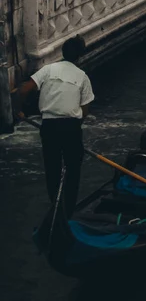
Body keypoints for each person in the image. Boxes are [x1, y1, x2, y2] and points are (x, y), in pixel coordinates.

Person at [16, 35, 94, 216]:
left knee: (52, 169)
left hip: (49, 127)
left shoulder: (48, 70)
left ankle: (55, 206)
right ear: (80, 56)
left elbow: (23, 90)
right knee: (73, 169)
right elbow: (85, 110)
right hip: (71, 127)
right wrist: (74, 126)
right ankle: (69, 211)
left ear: (63, 52)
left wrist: (19, 112)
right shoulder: (82, 77)